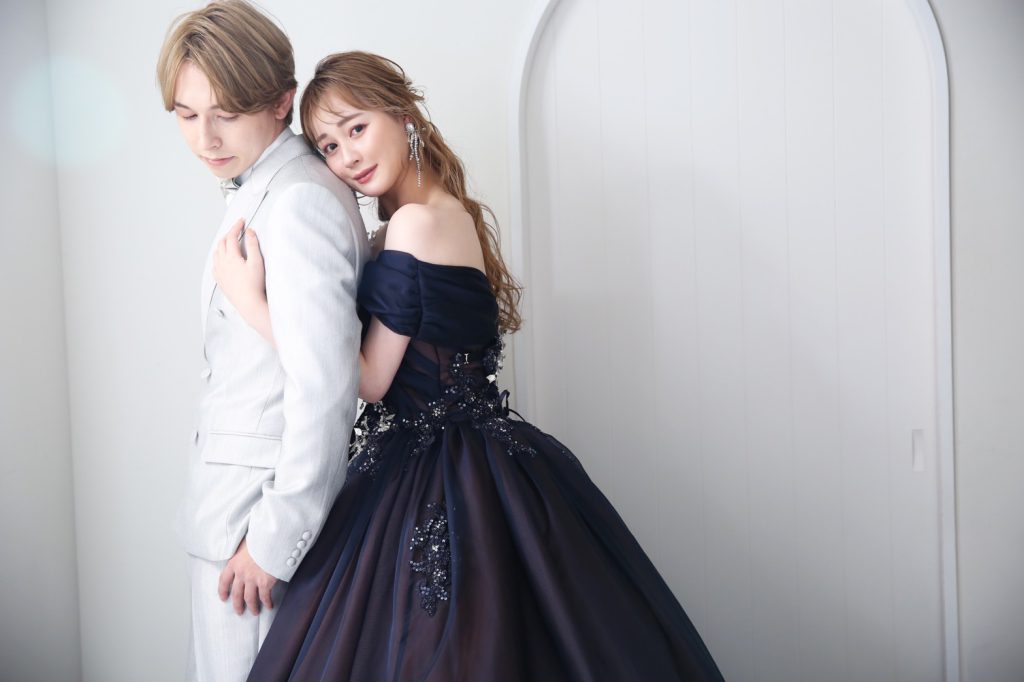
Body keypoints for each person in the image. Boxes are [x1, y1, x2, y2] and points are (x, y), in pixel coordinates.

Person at [218, 51, 723, 680]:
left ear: (403, 116)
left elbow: (368, 380)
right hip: (474, 458)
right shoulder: (442, 213)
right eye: (328, 146)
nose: (347, 156)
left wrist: (251, 303)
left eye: (356, 128)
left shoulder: (415, 225)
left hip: (437, 468)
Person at [155, 4, 369, 680]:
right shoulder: (266, 187)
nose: (205, 138)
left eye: (226, 113)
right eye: (187, 115)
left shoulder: (298, 200)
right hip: (230, 519)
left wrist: (274, 543)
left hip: (253, 533)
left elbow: (325, 386)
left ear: (282, 101)